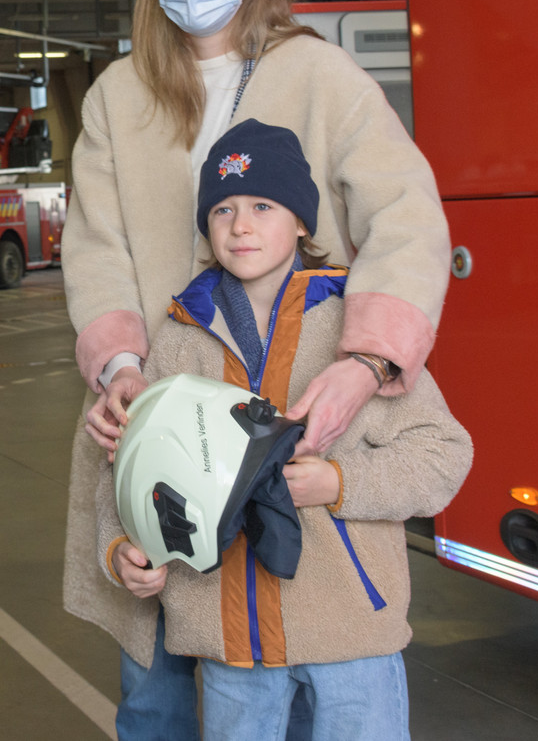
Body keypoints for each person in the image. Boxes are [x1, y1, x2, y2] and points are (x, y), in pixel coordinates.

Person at [60, 0, 453, 740]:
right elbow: (96, 248)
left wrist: (367, 360)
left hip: (296, 413)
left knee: (310, 673)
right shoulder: (118, 97)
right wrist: (121, 364)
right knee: (156, 686)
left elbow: (406, 216)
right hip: (162, 421)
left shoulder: (321, 76)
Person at [96, 119, 471, 740]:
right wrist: (122, 552)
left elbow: (444, 452)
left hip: (349, 636)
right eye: (223, 209)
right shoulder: (179, 339)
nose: (240, 225)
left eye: (263, 206)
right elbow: (127, 469)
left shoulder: (356, 334)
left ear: (301, 220)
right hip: (229, 650)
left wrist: (340, 483)